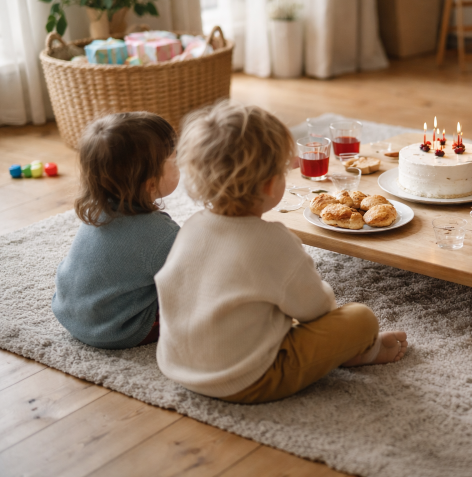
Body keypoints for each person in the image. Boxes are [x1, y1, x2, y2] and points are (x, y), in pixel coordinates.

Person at [155, 101, 408, 404]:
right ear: (270, 184)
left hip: (176, 364)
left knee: (267, 307)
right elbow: (318, 310)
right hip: (247, 379)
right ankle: (362, 353)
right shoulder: (273, 240)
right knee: (360, 318)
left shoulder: (191, 226)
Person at [52, 113, 180, 349]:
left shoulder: (96, 210)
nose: (179, 162)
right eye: (174, 159)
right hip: (117, 330)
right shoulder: (163, 234)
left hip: (68, 313)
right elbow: (191, 278)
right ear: (151, 183)